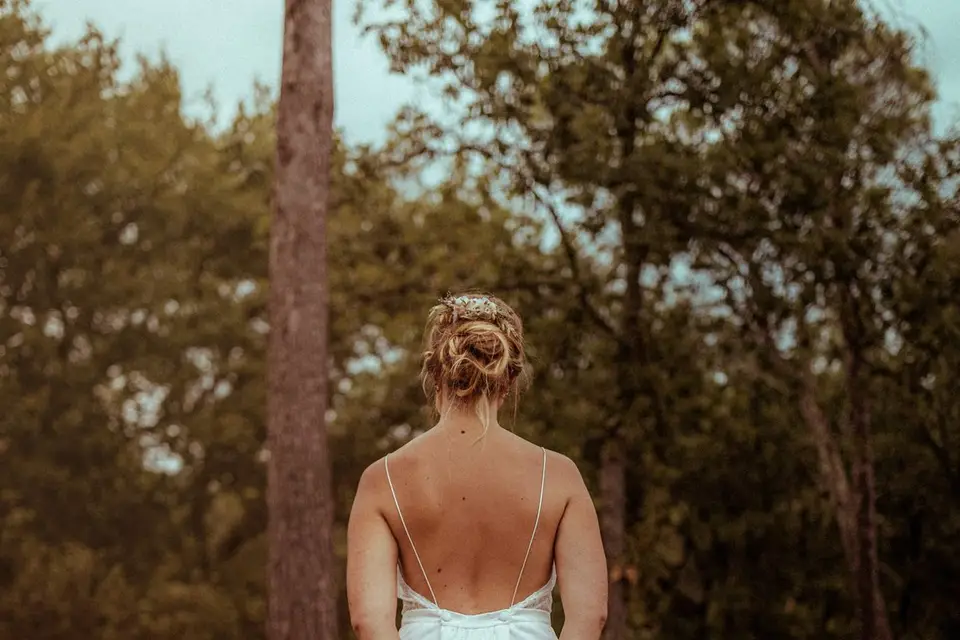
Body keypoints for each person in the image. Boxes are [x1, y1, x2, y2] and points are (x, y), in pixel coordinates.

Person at [347, 292, 608, 640]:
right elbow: (591, 616)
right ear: (510, 380)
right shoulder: (559, 475)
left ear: (434, 374)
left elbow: (369, 621)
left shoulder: (383, 479)